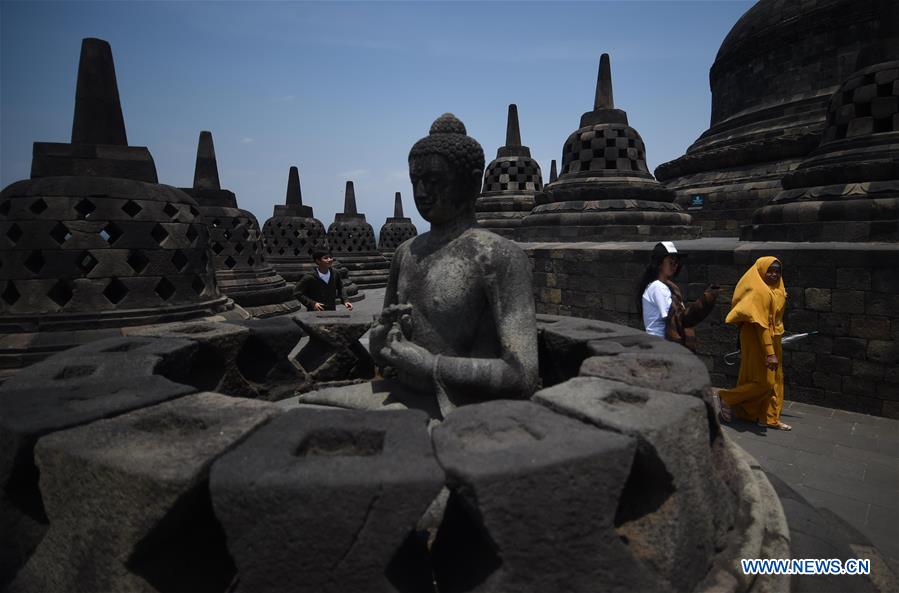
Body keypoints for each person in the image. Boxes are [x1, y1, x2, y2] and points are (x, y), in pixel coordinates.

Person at [368, 113, 539, 417]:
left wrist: (431, 365)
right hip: (402, 397)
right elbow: (387, 348)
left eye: (433, 181)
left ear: (473, 182)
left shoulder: (498, 256)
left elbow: (522, 375)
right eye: (415, 182)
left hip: (465, 411)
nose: (421, 193)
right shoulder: (405, 253)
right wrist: (381, 343)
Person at [718, 256, 790, 430]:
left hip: (774, 337)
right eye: (770, 271)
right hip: (757, 338)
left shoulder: (777, 289)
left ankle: (769, 417)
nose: (773, 275)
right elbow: (761, 325)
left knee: (777, 378)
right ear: (760, 271)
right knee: (765, 381)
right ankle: (728, 397)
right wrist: (770, 353)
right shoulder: (760, 292)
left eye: (777, 271)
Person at [636, 241, 719, 352]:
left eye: (676, 262)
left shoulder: (665, 286)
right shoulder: (658, 287)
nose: (675, 266)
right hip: (661, 348)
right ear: (660, 263)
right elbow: (677, 319)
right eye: (671, 262)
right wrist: (705, 301)